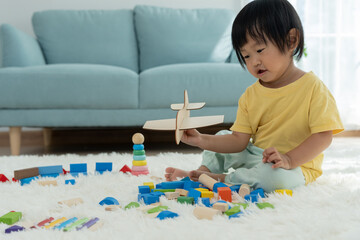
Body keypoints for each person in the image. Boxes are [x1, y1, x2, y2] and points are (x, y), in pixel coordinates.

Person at [164, 0, 344, 192]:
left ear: (291, 40)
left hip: (296, 166)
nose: (254, 62)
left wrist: (288, 159)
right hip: (257, 156)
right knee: (223, 135)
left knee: (274, 178)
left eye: (259, 50)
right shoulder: (250, 95)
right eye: (246, 56)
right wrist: (200, 140)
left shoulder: (313, 88)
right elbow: (238, 141)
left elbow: (323, 137)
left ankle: (224, 179)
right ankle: (200, 173)